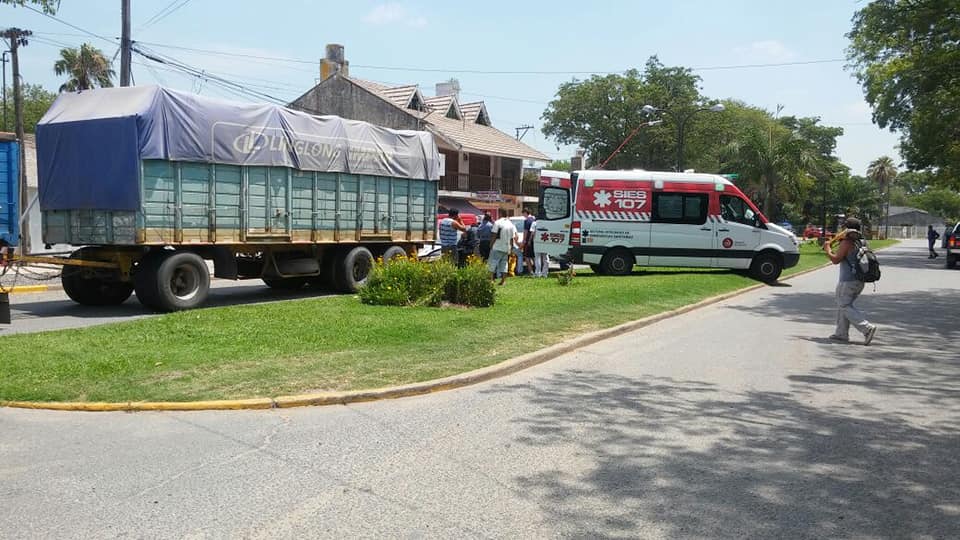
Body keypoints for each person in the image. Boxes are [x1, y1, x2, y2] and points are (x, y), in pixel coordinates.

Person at [824, 217, 877, 345]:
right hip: (859, 281)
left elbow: (836, 259)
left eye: (843, 227)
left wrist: (827, 249)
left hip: (847, 281)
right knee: (844, 305)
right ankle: (841, 334)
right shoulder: (862, 242)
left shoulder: (847, 242)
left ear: (847, 228)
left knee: (844, 305)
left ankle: (866, 328)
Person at [488, 215, 518, 285]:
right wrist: (510, 248)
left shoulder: (497, 223)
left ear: (500, 214)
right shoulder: (511, 224)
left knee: (492, 263)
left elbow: (494, 235)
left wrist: (491, 245)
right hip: (506, 247)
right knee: (504, 264)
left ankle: (491, 280)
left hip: (497, 246)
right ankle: (503, 281)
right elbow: (512, 238)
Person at [522, 209, 536, 275]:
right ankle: (537, 270)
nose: (523, 215)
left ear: (525, 213)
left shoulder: (527, 221)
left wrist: (524, 240)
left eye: (523, 214)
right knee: (533, 256)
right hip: (534, 240)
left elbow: (525, 231)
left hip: (528, 241)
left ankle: (531, 271)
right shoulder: (534, 220)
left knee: (527, 257)